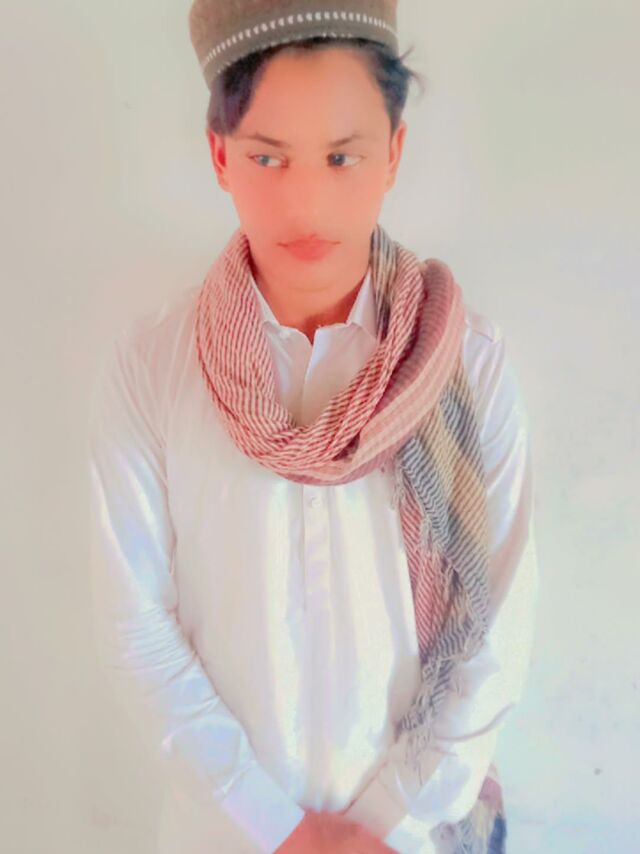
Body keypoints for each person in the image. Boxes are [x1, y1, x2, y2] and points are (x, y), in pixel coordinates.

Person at [87, 2, 539, 852]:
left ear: (393, 152)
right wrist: (278, 827)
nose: (306, 200)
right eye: (268, 157)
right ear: (220, 156)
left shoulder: (465, 365)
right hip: (225, 835)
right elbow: (136, 622)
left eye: (341, 156)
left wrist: (383, 821)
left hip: (414, 834)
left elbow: (497, 625)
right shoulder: (153, 365)